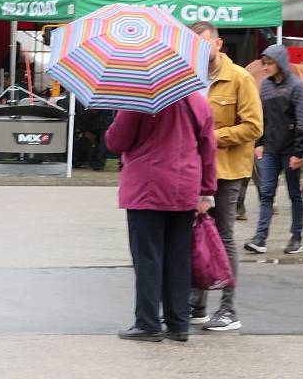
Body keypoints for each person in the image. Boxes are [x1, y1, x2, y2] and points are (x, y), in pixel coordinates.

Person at [106, 94, 217, 343]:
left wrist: (115, 119)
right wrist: (207, 191)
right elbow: (208, 147)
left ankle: (148, 323)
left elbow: (116, 142)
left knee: (148, 258)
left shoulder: (137, 100)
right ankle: (179, 323)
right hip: (185, 188)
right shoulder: (198, 102)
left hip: (147, 187)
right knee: (178, 259)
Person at [188, 21, 262, 332]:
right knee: (197, 235)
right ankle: (197, 305)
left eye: (205, 44)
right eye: (194, 46)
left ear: (218, 44)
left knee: (224, 236)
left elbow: (254, 126)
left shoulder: (240, 78)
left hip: (228, 171)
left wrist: (212, 136)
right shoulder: (189, 78)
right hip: (195, 170)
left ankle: (228, 309)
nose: (200, 51)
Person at [245, 45, 303, 256]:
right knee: (266, 193)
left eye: (269, 63)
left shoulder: (297, 87)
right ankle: (260, 237)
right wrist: (259, 143)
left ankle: (296, 237)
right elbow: (262, 116)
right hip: (271, 149)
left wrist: (299, 153)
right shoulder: (265, 87)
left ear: (280, 63)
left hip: (290, 150)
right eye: (264, 63)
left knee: (294, 194)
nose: (265, 67)